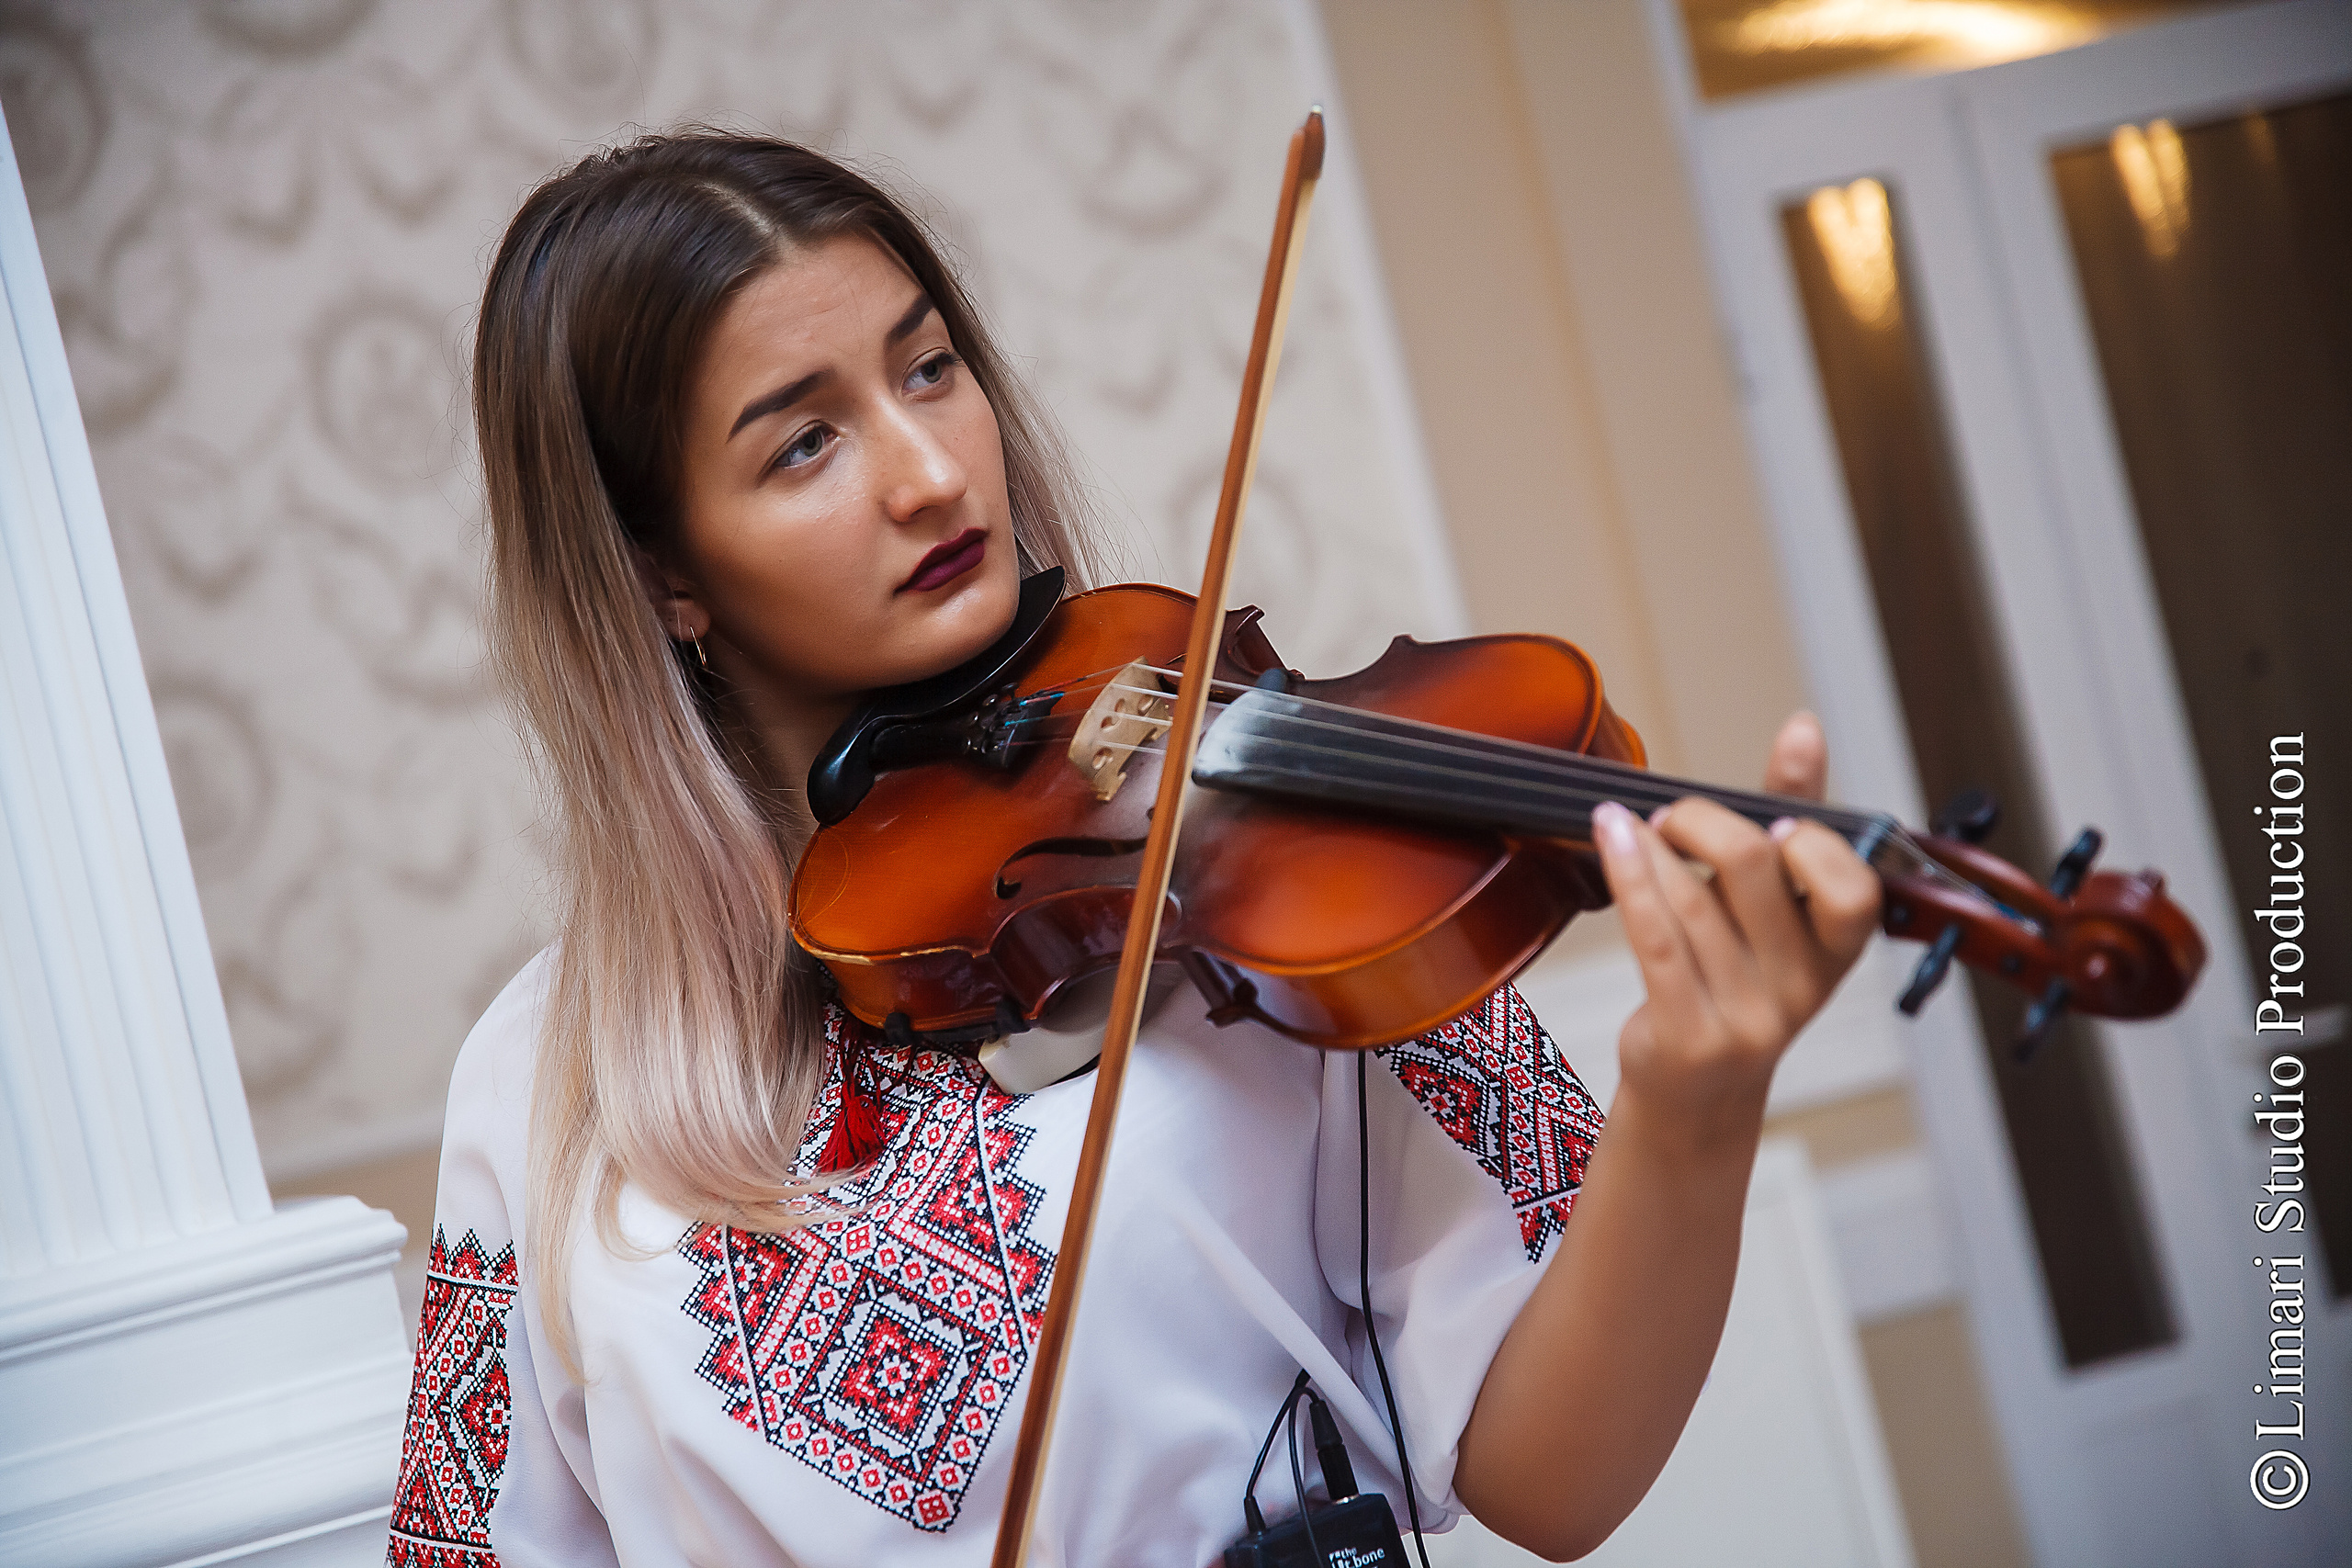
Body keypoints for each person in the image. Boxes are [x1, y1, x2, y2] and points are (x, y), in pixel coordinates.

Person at [387, 130, 1880, 1568]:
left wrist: (1695, 1100)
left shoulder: (1256, 874)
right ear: (659, 577)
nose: (929, 473)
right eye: (806, 443)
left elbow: (1557, 1481)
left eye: (930, 368)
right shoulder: (541, 1078)